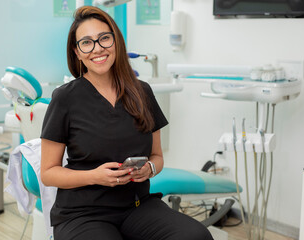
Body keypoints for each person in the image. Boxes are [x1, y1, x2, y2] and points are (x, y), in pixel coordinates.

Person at [40, 6, 213, 240]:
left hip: (137, 206)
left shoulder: (142, 92)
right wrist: (95, 176)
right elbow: (49, 173)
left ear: (116, 42)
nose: (98, 48)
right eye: (87, 43)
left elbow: (157, 157)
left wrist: (148, 169)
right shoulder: (65, 98)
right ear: (77, 52)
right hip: (83, 213)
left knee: (195, 236)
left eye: (104, 38)